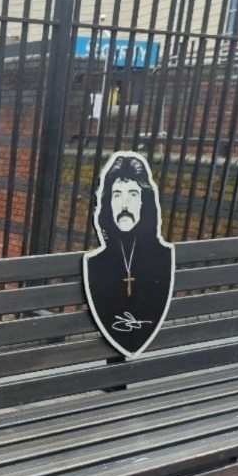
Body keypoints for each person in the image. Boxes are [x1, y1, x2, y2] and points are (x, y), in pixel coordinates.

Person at [83, 151, 174, 358]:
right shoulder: (94, 264)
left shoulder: (163, 257)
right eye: (117, 195)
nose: (124, 204)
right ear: (108, 204)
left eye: (133, 194)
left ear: (146, 202)